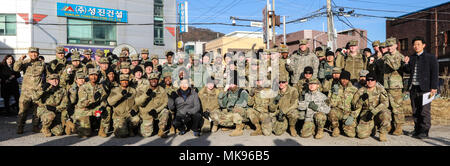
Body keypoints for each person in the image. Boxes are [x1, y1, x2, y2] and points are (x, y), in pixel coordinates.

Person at [403, 36, 439, 139]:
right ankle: (417, 129)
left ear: (423, 45)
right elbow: (407, 70)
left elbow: (435, 73)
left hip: (426, 89)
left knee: (424, 111)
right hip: (413, 88)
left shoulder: (430, 57)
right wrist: (405, 63)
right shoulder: (412, 57)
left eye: (418, 44)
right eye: (414, 45)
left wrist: (434, 87)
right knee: (415, 110)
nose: (416, 46)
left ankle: (424, 131)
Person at [14, 47, 46, 134]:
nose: (33, 54)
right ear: (29, 53)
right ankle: (20, 127)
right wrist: (20, 59)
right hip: (26, 92)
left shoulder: (42, 63)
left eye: (35, 53)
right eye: (31, 52)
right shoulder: (25, 62)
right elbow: (16, 69)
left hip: (37, 91)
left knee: (37, 111)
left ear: (38, 54)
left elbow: (46, 75)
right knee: (23, 110)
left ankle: (35, 126)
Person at [353, 73, 391, 142]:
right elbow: (354, 106)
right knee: (361, 135)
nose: (370, 82)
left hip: (378, 112)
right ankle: (373, 127)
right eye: (368, 80)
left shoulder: (380, 89)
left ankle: (382, 132)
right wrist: (361, 100)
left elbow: (385, 103)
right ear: (366, 81)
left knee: (386, 114)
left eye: (372, 80)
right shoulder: (361, 91)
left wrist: (374, 111)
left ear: (375, 81)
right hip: (366, 114)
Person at [74, 68, 108, 138]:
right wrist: (93, 99)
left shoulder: (100, 87)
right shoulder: (83, 87)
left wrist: (102, 107)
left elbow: (104, 99)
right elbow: (82, 103)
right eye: (91, 75)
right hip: (84, 110)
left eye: (95, 75)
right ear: (88, 76)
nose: (93, 77)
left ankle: (102, 130)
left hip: (95, 109)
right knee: (85, 134)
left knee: (107, 109)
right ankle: (72, 125)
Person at [383, 37, 406, 136]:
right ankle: (391, 125)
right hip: (386, 85)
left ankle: (399, 127)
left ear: (396, 45)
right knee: (388, 107)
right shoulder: (385, 56)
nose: (389, 48)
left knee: (397, 108)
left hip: (395, 86)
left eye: (391, 46)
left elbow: (395, 67)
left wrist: (386, 58)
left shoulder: (399, 56)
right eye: (387, 46)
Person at [135, 73, 169, 138]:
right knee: (146, 135)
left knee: (165, 111)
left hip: (156, 112)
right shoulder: (143, 89)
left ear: (158, 80)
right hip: (146, 114)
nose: (154, 81)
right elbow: (138, 102)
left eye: (155, 79)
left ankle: (161, 130)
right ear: (149, 80)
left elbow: (165, 102)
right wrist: (146, 95)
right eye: (152, 79)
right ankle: (140, 128)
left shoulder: (162, 90)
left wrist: (156, 110)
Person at [327, 70, 358, 137]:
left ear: (349, 80)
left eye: (346, 79)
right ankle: (335, 128)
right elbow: (331, 104)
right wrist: (335, 94)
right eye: (342, 79)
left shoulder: (354, 90)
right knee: (331, 111)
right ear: (340, 79)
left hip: (348, 113)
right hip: (338, 111)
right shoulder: (335, 88)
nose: (344, 81)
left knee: (351, 134)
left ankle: (343, 126)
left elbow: (357, 106)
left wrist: (352, 116)